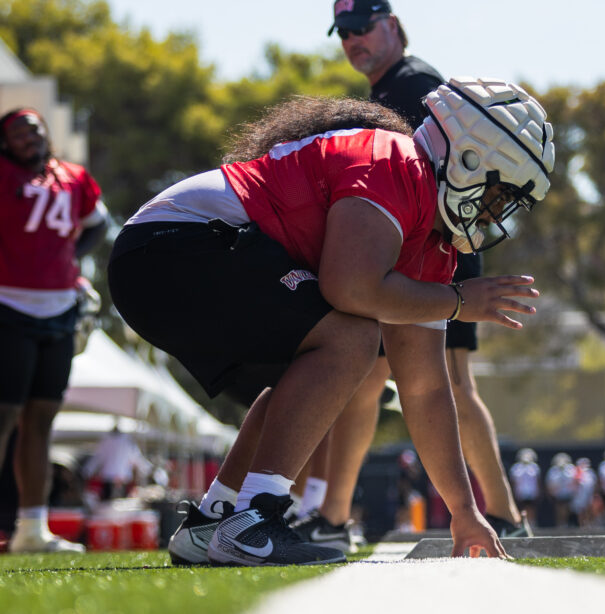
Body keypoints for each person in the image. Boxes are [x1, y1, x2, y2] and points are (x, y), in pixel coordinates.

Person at [108, 80, 555, 566]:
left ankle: (215, 519)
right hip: (171, 246)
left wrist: (464, 511)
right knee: (352, 336)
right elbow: (352, 287)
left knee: (311, 367)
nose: (493, 215)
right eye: (498, 195)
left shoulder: (430, 240)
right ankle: (255, 516)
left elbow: (425, 388)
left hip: (171, 256)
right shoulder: (395, 162)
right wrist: (456, 301)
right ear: (471, 160)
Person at [290, 0, 531, 549]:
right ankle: (332, 515)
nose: (352, 40)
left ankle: (504, 513)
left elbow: (442, 177)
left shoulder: (412, 80)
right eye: (343, 32)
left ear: (392, 26)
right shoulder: (387, 87)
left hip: (438, 245)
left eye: (361, 27)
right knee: (370, 381)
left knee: (445, 385)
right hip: (410, 246)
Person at [0, 107, 108, 553]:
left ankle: (31, 528)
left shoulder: (72, 176)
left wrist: (70, 260)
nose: (29, 136)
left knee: (41, 419)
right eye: (18, 132)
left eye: (34, 128)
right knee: (3, 416)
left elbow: (98, 222)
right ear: (6, 143)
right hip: (7, 303)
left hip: (60, 307)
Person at [82, 424, 152, 501]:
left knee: (114, 502)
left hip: (114, 480)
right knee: (120, 502)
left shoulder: (108, 442)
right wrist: (147, 468)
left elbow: (97, 459)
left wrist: (87, 470)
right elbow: (137, 458)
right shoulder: (126, 442)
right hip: (117, 480)